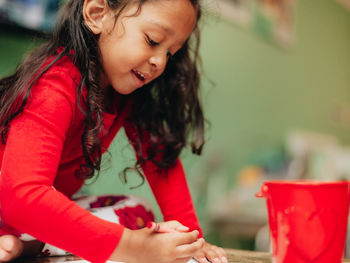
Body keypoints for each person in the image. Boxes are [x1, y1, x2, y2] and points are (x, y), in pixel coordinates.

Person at [0, 0, 228, 263]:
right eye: (153, 41)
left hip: (24, 218)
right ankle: (24, 243)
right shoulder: (54, 87)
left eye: (170, 54)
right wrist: (134, 247)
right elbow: (21, 197)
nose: (159, 62)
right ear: (97, 14)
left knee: (135, 211)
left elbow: (161, 162)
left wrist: (192, 240)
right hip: (14, 204)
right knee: (131, 235)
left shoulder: (127, 96)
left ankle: (22, 243)